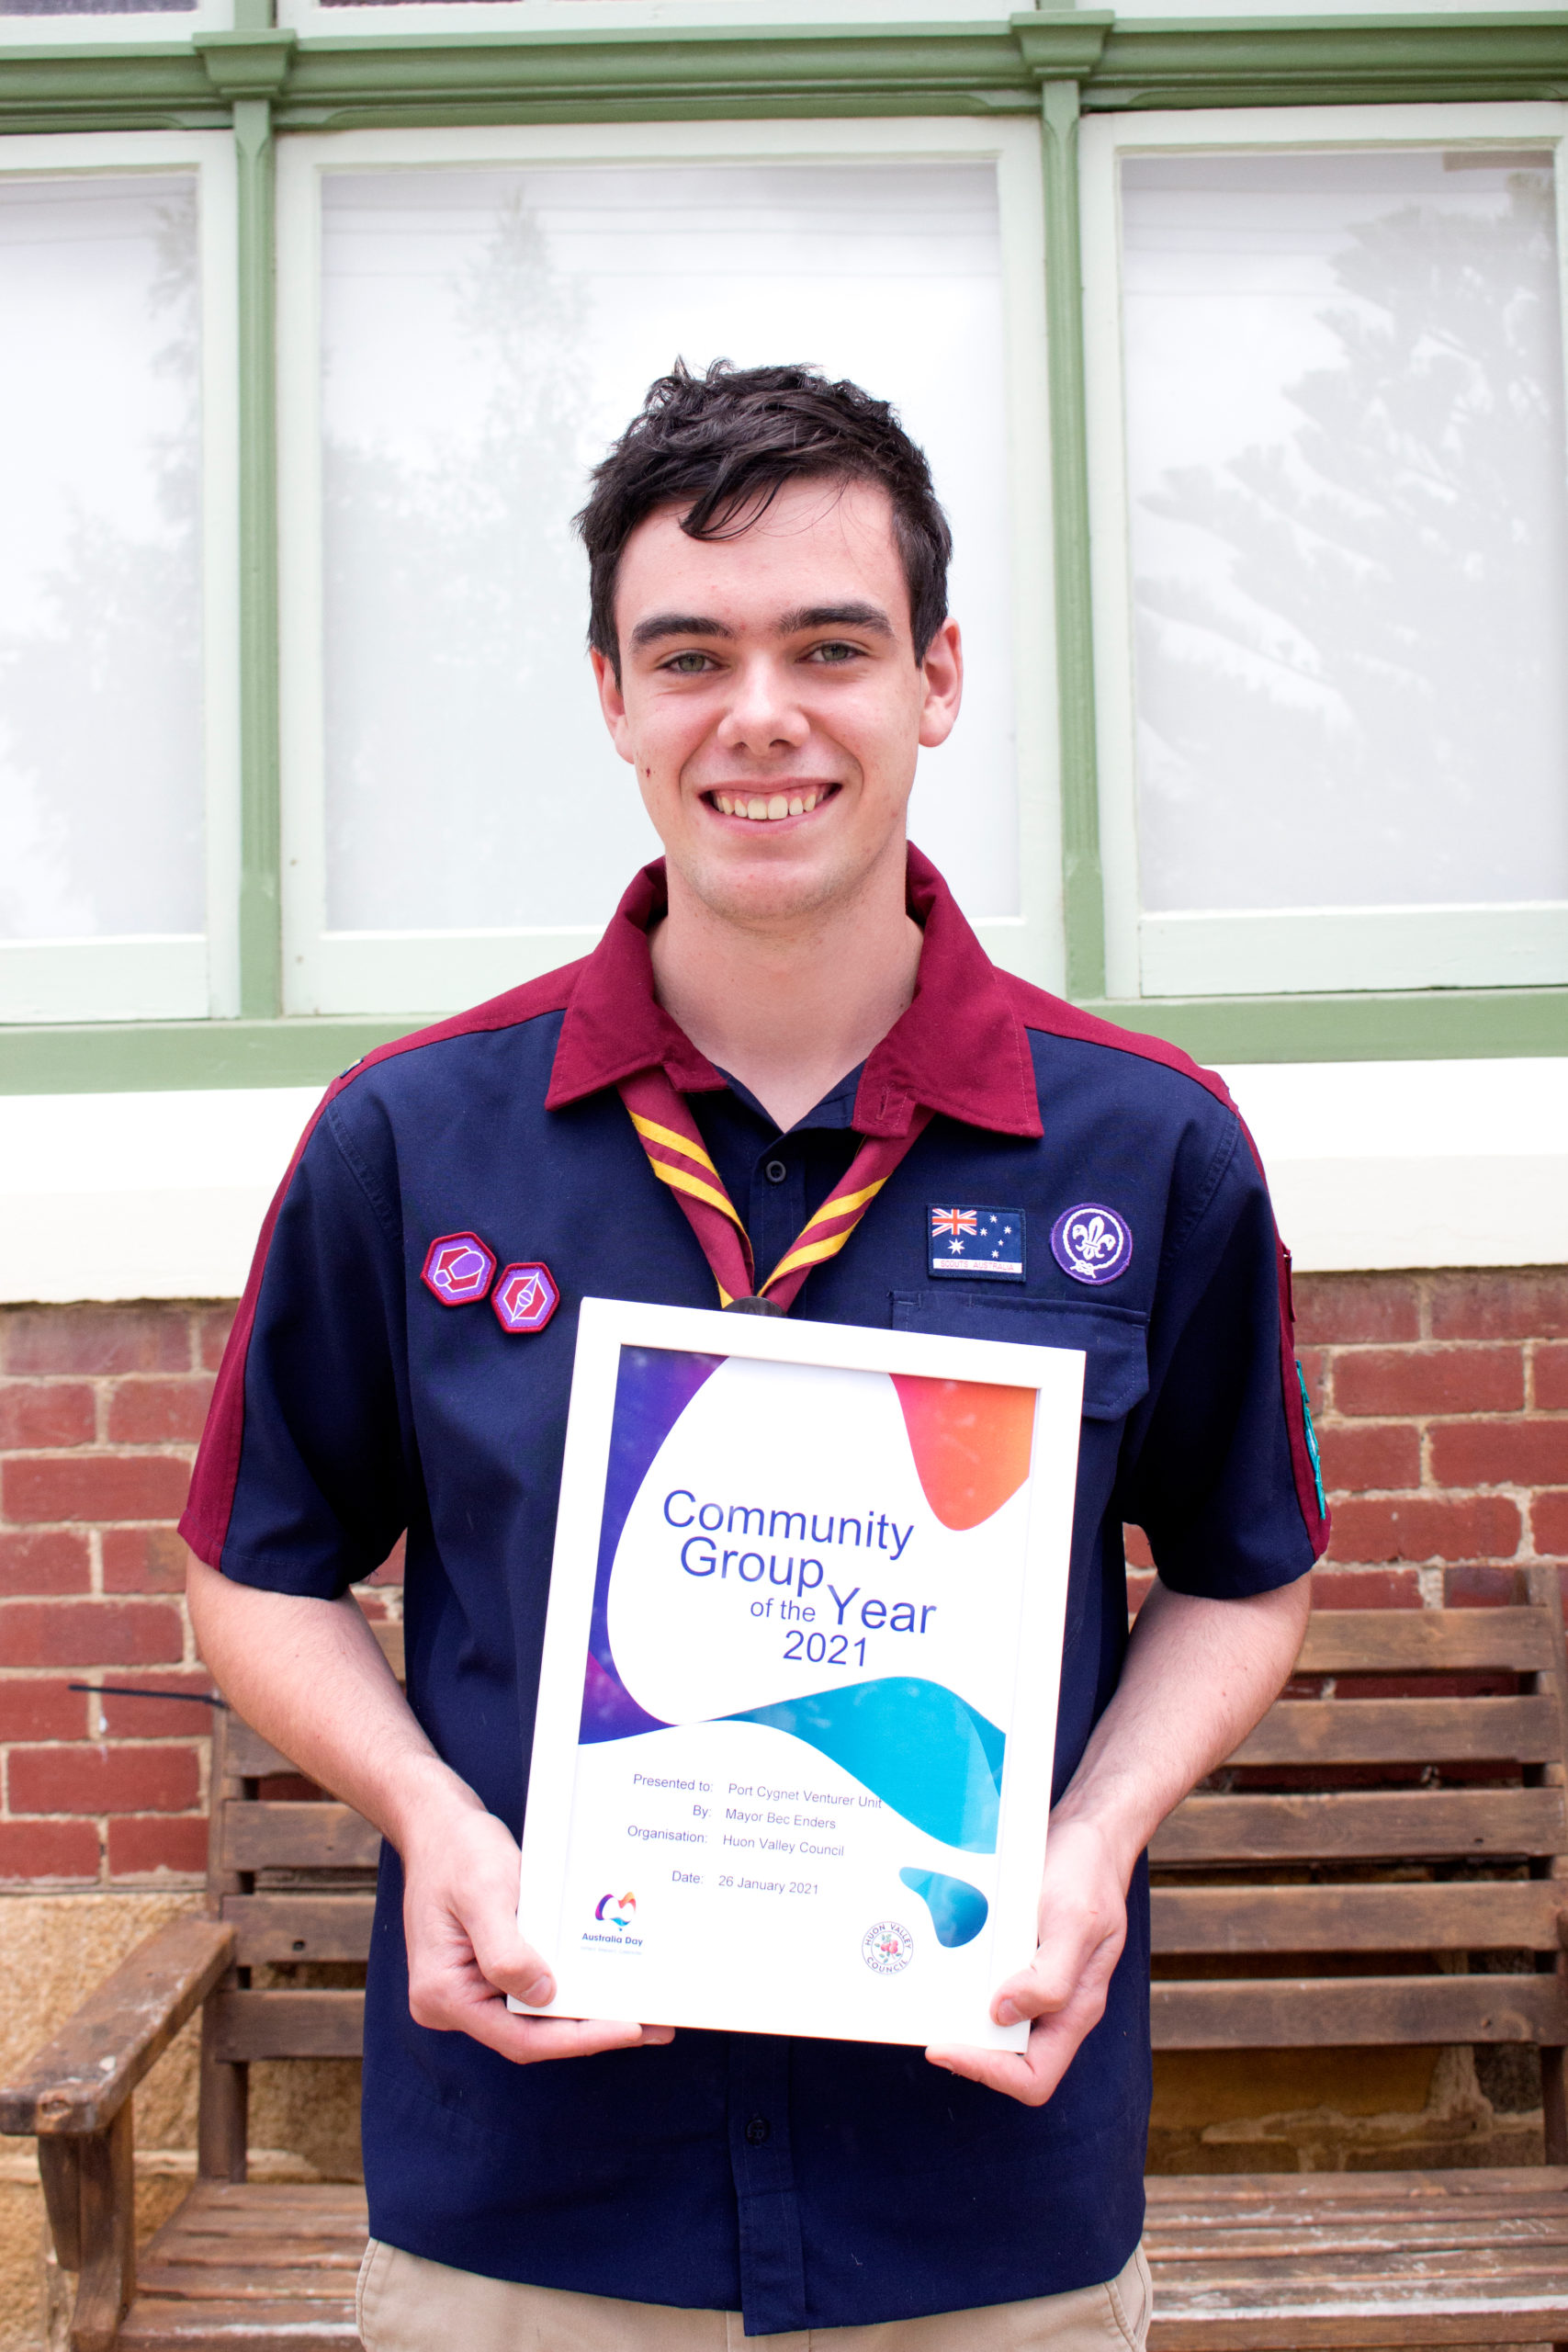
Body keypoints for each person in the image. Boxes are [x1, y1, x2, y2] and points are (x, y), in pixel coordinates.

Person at [182, 360, 1325, 2352]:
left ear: (935, 678)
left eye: (829, 644)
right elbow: (252, 1565)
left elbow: (1241, 1568)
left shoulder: (1140, 1143)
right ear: (613, 698)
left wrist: (1091, 1836)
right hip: (532, 2208)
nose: (761, 713)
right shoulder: (413, 1136)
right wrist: (429, 1816)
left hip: (980, 2199)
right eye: (690, 654)